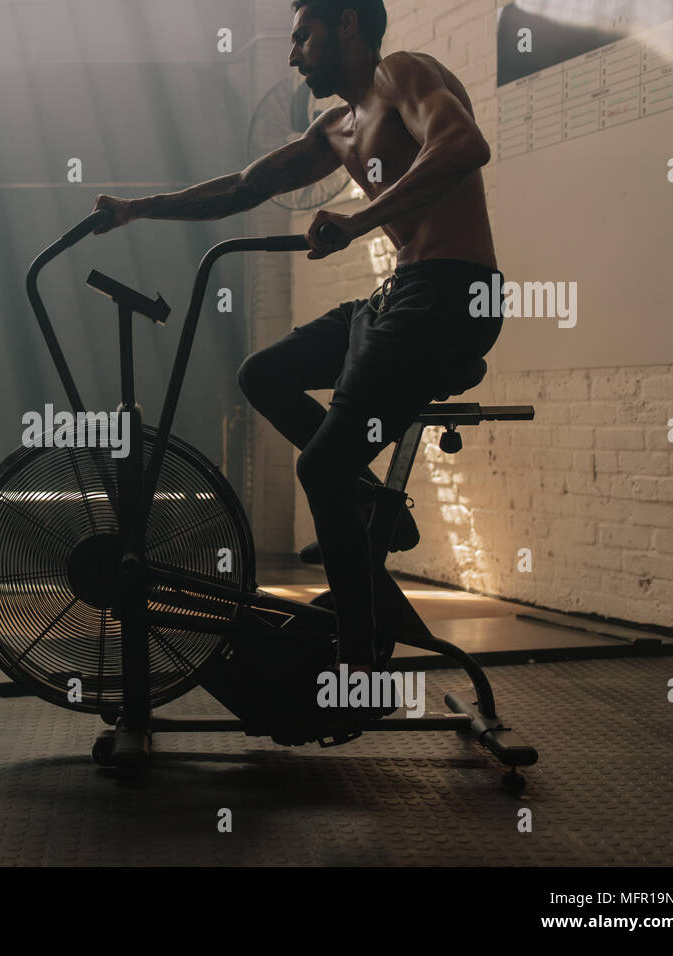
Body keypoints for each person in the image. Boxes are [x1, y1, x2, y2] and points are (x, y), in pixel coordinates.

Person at [92, 0, 504, 678]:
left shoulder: (401, 73)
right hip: (401, 296)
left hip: (451, 295)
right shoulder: (337, 126)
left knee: (321, 467)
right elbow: (247, 186)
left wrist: (358, 220)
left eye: (302, 36)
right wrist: (139, 211)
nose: (292, 55)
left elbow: (463, 146)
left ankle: (359, 655)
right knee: (264, 374)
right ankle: (375, 506)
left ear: (346, 24)